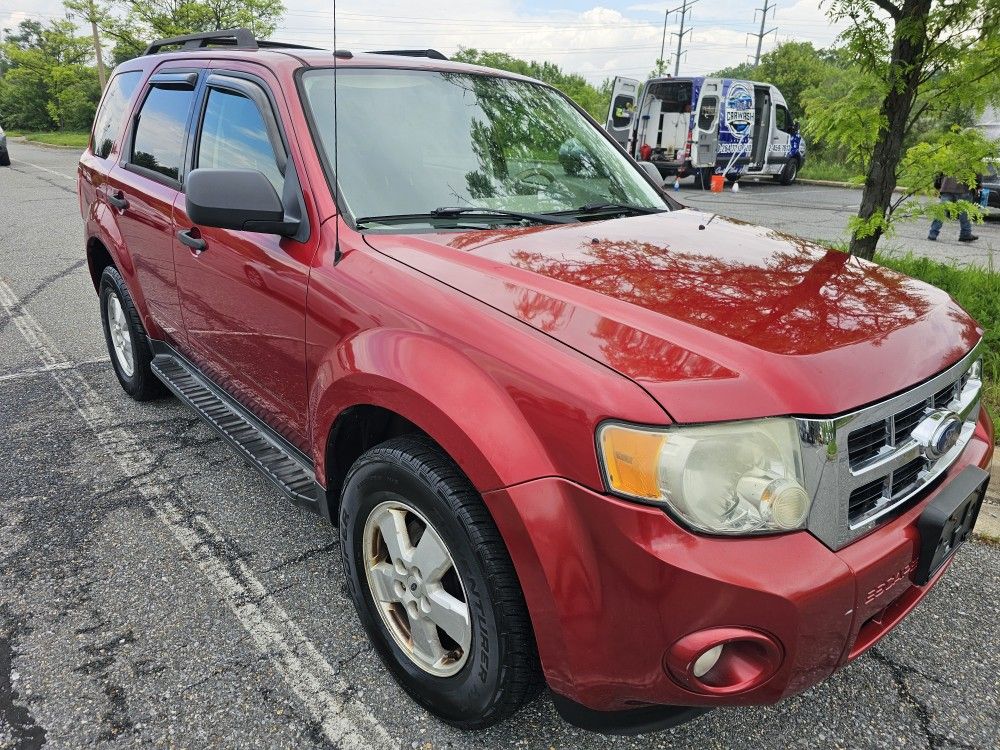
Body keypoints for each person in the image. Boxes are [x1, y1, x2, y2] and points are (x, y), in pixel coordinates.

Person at [928, 173, 981, 242]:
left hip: (946, 186)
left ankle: (933, 233)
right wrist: (978, 186)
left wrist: (938, 185)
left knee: (942, 211)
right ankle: (965, 234)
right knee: (964, 212)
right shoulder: (975, 161)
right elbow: (977, 173)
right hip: (964, 188)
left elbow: (939, 171)